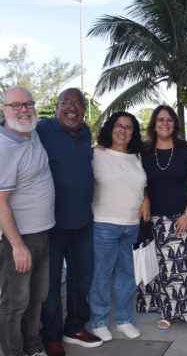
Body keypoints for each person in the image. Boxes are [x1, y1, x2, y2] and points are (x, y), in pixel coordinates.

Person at [37, 88, 102, 356]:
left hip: (83, 221)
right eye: (67, 102)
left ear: (84, 109)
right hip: (51, 224)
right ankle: (50, 336)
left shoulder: (85, 133)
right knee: (51, 284)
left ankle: (74, 328)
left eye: (78, 103)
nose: (72, 107)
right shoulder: (41, 129)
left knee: (82, 277)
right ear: (57, 106)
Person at [0, 87, 55, 356]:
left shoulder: (31, 132)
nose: (23, 110)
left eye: (28, 104)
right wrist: (17, 245)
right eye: (16, 105)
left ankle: (33, 347)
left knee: (36, 298)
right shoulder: (4, 148)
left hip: (42, 232)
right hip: (19, 238)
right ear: (4, 109)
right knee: (15, 303)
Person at [135, 105, 187, 329]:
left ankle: (175, 312)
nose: (165, 123)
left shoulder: (184, 149)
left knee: (178, 267)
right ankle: (162, 309)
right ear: (154, 124)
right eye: (161, 119)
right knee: (155, 265)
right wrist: (145, 199)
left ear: (175, 124)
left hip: (180, 218)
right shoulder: (143, 150)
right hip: (151, 218)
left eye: (169, 120)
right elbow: (137, 180)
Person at [88, 112, 149, 341]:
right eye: (118, 125)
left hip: (132, 225)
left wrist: (146, 200)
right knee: (101, 276)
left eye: (128, 127)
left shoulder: (137, 156)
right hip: (104, 224)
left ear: (134, 132)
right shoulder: (96, 154)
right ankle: (99, 322)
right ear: (110, 128)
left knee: (127, 276)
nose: (123, 130)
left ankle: (124, 320)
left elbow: (141, 185)